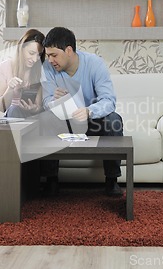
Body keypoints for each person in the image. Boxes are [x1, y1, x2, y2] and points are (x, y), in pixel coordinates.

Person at [40, 27, 124, 197]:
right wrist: (53, 101)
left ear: (69, 50)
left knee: (113, 120)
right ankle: (51, 180)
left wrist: (89, 111)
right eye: (48, 55)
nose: (50, 60)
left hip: (91, 119)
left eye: (54, 55)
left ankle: (112, 180)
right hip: (62, 122)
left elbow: (109, 100)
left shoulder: (94, 64)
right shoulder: (47, 69)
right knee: (44, 120)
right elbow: (45, 101)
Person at [0, 29, 45, 118]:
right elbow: (2, 108)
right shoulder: (3, 68)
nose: (35, 59)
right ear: (21, 48)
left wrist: (34, 108)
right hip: (12, 115)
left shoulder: (40, 70)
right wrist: (10, 88)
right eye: (31, 53)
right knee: (14, 109)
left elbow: (39, 105)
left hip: (33, 117)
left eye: (39, 55)